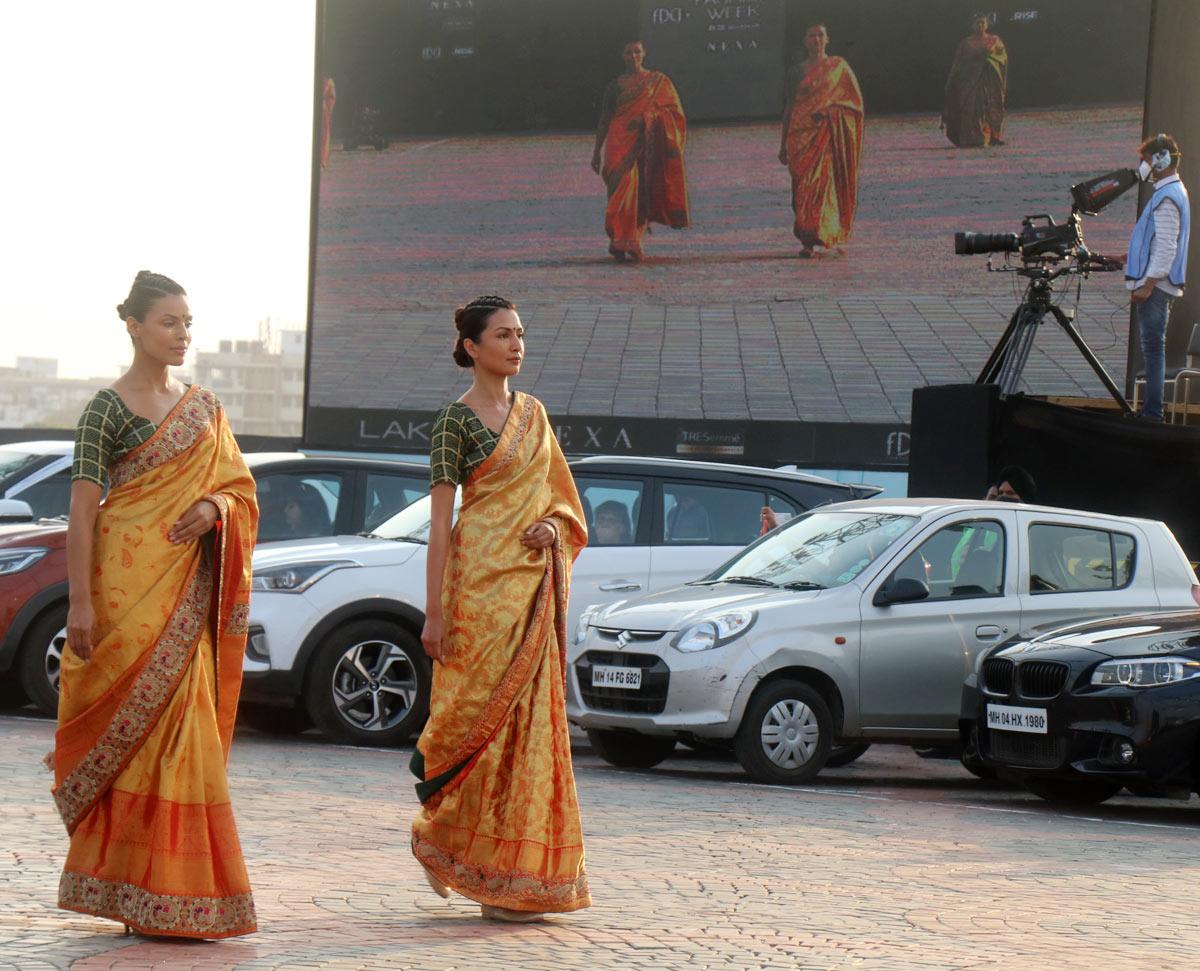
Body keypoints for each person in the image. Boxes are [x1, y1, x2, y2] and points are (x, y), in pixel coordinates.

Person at [54, 271, 258, 938]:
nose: (181, 334)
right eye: (168, 321)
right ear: (134, 326)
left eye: (186, 322)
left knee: (185, 737)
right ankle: (129, 889)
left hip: (184, 599)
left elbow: (240, 491)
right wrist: (80, 603)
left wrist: (214, 505)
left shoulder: (206, 407)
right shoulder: (105, 410)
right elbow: (83, 513)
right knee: (131, 742)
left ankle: (177, 890)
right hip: (122, 596)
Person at [411, 295, 590, 922]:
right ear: (472, 347)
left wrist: (553, 526)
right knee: (469, 728)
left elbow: (562, 500)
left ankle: (511, 875)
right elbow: (440, 527)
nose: (516, 345)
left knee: (525, 735)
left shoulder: (534, 415)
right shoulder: (453, 424)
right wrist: (433, 612)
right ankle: (444, 840)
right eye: (503, 335)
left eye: (521, 334)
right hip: (476, 594)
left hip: (529, 593)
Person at [591, 40, 690, 262]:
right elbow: (605, 119)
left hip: (645, 143)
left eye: (637, 51)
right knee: (620, 188)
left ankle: (632, 240)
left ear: (644, 53)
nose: (633, 56)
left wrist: (648, 119)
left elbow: (673, 111)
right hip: (618, 142)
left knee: (640, 189)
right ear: (622, 56)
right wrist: (596, 151)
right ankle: (617, 238)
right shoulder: (614, 86)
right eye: (628, 52)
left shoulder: (658, 81)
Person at [779, 24, 864, 258]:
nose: (816, 39)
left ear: (827, 40)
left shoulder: (838, 67)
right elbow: (789, 107)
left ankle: (826, 233)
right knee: (803, 189)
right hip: (799, 137)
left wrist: (829, 113)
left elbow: (853, 105)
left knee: (825, 186)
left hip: (827, 135)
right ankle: (807, 239)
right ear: (804, 41)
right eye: (811, 36)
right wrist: (782, 144)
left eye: (820, 35)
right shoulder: (796, 71)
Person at [1127, 133, 1190, 422]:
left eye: (1146, 161)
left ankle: (1152, 414)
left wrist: (1148, 284)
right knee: (1153, 348)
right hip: (1159, 284)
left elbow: (1166, 247)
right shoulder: (1172, 191)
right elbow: (1157, 243)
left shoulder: (1167, 197)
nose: (1143, 168)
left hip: (1157, 287)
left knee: (1153, 349)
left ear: (1160, 160)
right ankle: (1152, 411)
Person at [942, 15, 1007, 148]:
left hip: (989, 81)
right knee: (970, 108)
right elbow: (959, 62)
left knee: (990, 107)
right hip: (970, 81)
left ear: (987, 25)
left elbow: (1001, 57)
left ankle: (993, 137)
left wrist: (988, 56)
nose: (980, 26)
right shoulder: (966, 42)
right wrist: (952, 79)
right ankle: (970, 138)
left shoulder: (994, 39)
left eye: (982, 23)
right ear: (972, 25)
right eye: (977, 23)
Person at [320, 77, 337, 169]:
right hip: (324, 108)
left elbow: (331, 97)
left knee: (325, 134)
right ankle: (322, 161)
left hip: (324, 109)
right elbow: (332, 97)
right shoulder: (328, 82)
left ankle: (322, 161)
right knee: (324, 134)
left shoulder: (328, 82)